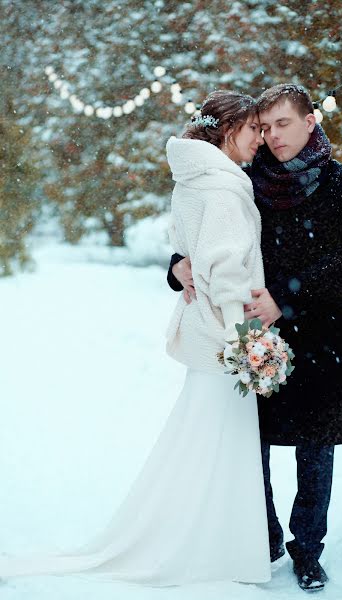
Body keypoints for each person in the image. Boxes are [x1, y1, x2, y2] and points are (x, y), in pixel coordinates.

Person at [0, 91, 271, 586]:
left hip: (207, 335)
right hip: (224, 338)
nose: (261, 138)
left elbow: (189, 254)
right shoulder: (223, 190)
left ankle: (211, 542)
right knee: (217, 447)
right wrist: (247, 342)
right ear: (229, 131)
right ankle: (209, 549)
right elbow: (225, 271)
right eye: (253, 128)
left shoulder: (195, 180)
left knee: (204, 446)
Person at [167, 83, 342, 592]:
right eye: (264, 126)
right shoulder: (242, 178)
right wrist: (177, 264)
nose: (272, 135)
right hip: (255, 335)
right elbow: (204, 231)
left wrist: (286, 296)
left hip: (321, 333)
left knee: (315, 448)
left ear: (311, 122)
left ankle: (308, 550)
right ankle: (264, 535)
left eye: (283, 123)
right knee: (249, 442)